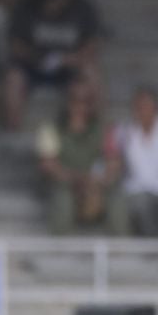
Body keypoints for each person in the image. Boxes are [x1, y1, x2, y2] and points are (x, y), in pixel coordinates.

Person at [2, 0, 101, 130]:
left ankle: (93, 130)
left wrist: (73, 58)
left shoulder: (80, 8)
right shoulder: (26, 8)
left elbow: (92, 45)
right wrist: (35, 57)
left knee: (91, 72)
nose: (48, 8)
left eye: (52, 3)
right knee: (13, 78)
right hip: (33, 66)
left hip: (68, 66)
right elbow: (15, 45)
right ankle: (13, 129)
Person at [37, 83, 125, 235]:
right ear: (67, 103)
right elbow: (48, 165)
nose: (79, 106)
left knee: (118, 200)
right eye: (75, 100)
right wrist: (78, 180)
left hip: (96, 183)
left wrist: (99, 182)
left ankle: (122, 248)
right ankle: (60, 246)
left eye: (85, 101)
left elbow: (114, 162)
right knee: (62, 200)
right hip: (64, 183)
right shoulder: (50, 129)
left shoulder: (104, 129)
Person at [110, 84, 158, 237]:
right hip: (136, 188)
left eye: (146, 105)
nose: (141, 109)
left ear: (156, 107)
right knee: (140, 206)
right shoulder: (124, 130)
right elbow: (116, 162)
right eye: (138, 106)